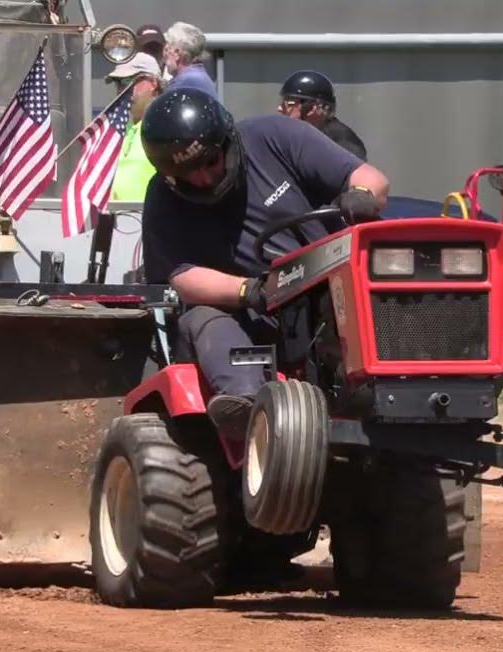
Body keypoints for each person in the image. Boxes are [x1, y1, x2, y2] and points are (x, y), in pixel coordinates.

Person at [139, 90, 389, 438]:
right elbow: (181, 275)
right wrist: (251, 290)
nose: (204, 178)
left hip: (329, 286)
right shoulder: (162, 198)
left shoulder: (275, 136)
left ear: (227, 141)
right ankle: (248, 407)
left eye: (211, 161)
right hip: (253, 311)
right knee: (200, 316)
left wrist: (361, 196)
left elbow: (370, 178)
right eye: (187, 173)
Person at [105, 52, 164, 202]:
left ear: (153, 83)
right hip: (116, 214)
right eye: (118, 83)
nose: (121, 91)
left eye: (128, 82)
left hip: (150, 214)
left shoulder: (166, 127)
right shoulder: (121, 128)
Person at [278, 70, 367, 160]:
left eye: (289, 104)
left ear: (312, 108)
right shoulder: (293, 136)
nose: (280, 108)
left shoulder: (342, 143)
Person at [160, 22, 217, 97]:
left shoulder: (184, 83)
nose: (164, 57)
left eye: (167, 50)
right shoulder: (199, 77)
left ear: (176, 53)